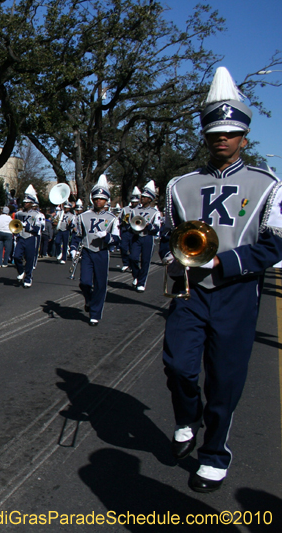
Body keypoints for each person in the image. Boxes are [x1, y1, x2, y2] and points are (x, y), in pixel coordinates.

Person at [160, 66, 282, 493]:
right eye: (214, 132)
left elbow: (274, 246)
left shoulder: (268, 184)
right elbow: (168, 236)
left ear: (244, 136)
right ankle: (186, 417)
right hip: (190, 291)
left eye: (230, 132)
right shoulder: (180, 185)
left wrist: (224, 264)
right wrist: (173, 257)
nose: (222, 139)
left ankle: (214, 454)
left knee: (225, 380)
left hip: (235, 294)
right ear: (205, 135)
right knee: (177, 366)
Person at [69, 175, 120, 326]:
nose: (99, 201)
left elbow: (117, 239)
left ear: (107, 201)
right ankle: (89, 299)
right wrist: (72, 249)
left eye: (102, 199)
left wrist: (107, 236)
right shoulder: (83, 217)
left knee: (100, 284)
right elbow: (77, 234)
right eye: (96, 198)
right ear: (92, 199)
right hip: (87, 251)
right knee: (84, 282)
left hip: (102, 252)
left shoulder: (112, 218)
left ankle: (95, 313)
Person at [129, 180, 163, 292]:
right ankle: (136, 275)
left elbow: (157, 228)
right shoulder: (135, 211)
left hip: (148, 237)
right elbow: (131, 223)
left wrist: (148, 225)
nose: (142, 198)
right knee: (133, 258)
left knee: (145, 261)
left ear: (150, 199)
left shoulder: (155, 212)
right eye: (141, 196)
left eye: (144, 197)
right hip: (137, 237)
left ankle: (141, 282)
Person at [12, 185, 45, 288]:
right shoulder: (18, 213)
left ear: (31, 204)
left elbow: (37, 229)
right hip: (21, 237)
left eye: (27, 203)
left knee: (30, 259)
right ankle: (21, 271)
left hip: (31, 238)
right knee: (16, 256)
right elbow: (15, 225)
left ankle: (28, 278)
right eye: (25, 202)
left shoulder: (37, 215)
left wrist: (27, 226)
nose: (25, 204)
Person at [119, 188, 140, 272]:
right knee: (123, 247)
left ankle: (133, 265)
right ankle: (125, 263)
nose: (134, 203)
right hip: (126, 231)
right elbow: (120, 218)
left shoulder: (140, 210)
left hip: (134, 232)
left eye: (135, 201)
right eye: (132, 201)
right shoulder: (125, 209)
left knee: (133, 250)